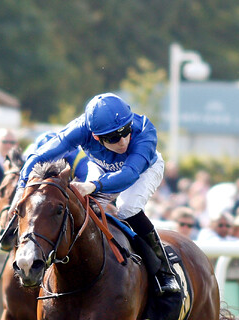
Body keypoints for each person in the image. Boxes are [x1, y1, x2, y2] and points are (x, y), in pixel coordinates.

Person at [18, 93, 179, 295]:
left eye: (126, 131)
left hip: (143, 170)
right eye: (113, 137)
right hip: (101, 166)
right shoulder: (80, 129)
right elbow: (39, 155)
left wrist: (94, 185)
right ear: (95, 136)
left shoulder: (145, 130)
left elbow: (130, 174)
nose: (123, 141)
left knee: (127, 207)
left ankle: (164, 271)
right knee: (81, 208)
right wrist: (21, 188)